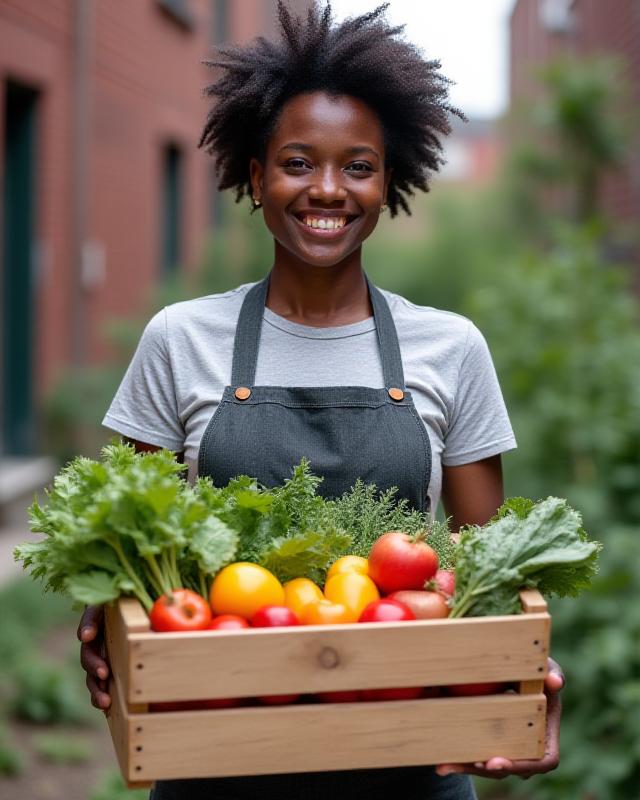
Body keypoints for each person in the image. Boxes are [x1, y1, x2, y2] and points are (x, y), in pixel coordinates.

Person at [78, 2, 564, 798]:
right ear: (254, 172)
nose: (328, 190)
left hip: (414, 753)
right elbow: (133, 544)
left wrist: (527, 671)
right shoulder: (181, 339)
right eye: (298, 162)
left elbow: (489, 575)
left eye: (358, 166)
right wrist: (109, 627)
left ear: (390, 178)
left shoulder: (452, 348)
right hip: (218, 750)